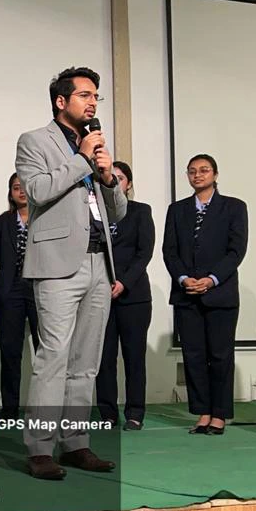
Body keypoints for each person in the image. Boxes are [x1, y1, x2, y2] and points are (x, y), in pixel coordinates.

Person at [16, 66, 126, 481]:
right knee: (53, 358)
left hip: (99, 261)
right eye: (84, 95)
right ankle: (40, 448)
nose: (93, 102)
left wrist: (108, 177)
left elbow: (118, 212)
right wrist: (82, 159)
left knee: (86, 362)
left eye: (96, 96)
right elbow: (38, 191)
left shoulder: (94, 146)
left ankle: (76, 442)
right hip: (58, 264)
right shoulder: (34, 141)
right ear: (61, 101)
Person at [163, 155, 247, 435]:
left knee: (220, 355)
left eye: (204, 170)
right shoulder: (177, 210)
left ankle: (220, 415)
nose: (197, 175)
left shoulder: (234, 207)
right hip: (186, 293)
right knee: (194, 356)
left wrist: (211, 280)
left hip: (220, 293)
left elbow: (236, 250)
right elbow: (169, 251)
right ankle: (203, 413)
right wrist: (184, 278)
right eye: (192, 171)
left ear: (215, 174)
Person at [96, 161, 155, 430]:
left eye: (120, 178)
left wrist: (123, 283)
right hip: (100, 295)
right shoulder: (93, 213)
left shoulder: (141, 211)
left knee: (134, 357)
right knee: (104, 359)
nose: (115, 181)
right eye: (111, 177)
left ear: (128, 184)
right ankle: (107, 414)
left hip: (134, 296)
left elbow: (144, 253)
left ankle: (135, 413)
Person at [0, 173, 39, 420]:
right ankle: (9, 407)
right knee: (10, 352)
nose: (21, 191)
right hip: (10, 290)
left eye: (25, 187)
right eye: (16, 187)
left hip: (39, 288)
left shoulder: (45, 219)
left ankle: (45, 407)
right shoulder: (1, 222)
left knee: (46, 350)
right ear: (10, 192)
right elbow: (0, 256)